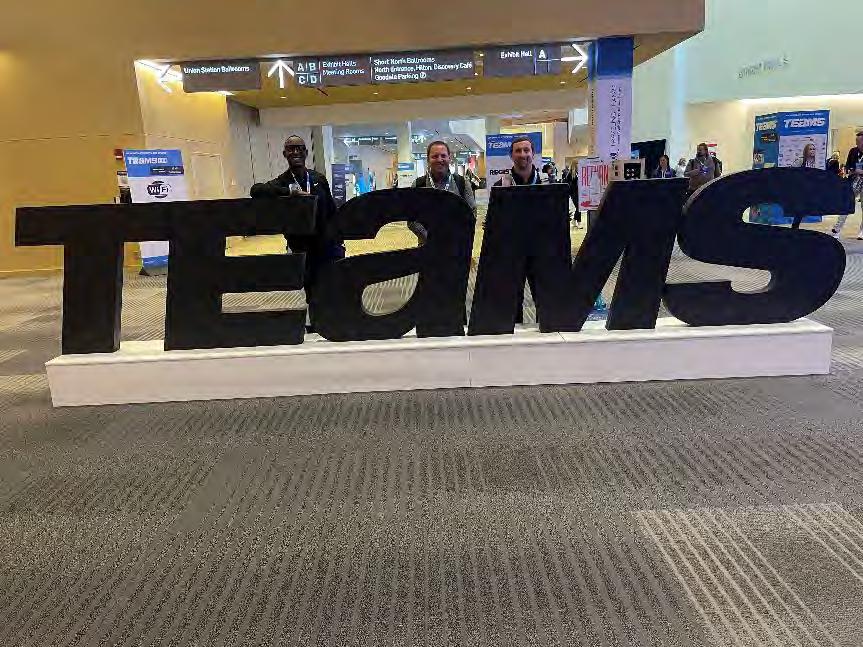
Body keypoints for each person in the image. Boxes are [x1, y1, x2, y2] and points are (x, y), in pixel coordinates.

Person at [249, 134, 346, 331]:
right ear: (284, 154)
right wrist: (288, 192)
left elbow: (331, 210)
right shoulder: (282, 182)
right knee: (310, 284)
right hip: (301, 245)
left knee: (331, 281)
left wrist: (339, 237)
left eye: (299, 148)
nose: (295, 152)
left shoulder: (318, 179)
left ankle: (332, 319)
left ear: (306, 152)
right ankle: (317, 322)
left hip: (325, 242)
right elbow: (256, 190)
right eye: (291, 149)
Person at [832, 132, 863, 239]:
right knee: (846, 204)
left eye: (859, 141)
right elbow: (848, 165)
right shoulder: (853, 151)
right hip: (854, 180)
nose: (857, 143)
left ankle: (862, 231)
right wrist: (852, 170)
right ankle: (837, 229)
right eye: (856, 141)